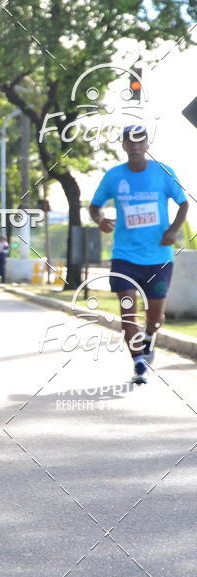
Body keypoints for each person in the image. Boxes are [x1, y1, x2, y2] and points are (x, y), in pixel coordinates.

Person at [89, 125, 188, 385]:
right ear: (123, 146)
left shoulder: (163, 173)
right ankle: (138, 363)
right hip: (124, 257)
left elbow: (184, 203)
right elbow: (94, 206)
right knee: (128, 314)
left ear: (146, 146)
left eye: (139, 142)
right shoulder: (113, 176)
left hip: (159, 257)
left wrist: (173, 231)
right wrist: (100, 220)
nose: (134, 147)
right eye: (129, 142)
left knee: (155, 318)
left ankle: (149, 337)